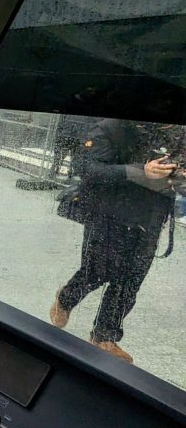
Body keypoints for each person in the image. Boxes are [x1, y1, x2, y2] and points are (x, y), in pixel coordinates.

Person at [50, 119, 184, 364]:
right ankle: (66, 298)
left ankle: (104, 337)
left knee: (130, 281)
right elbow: (86, 167)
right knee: (98, 271)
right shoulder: (115, 126)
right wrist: (138, 171)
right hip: (109, 214)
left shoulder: (179, 134)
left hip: (150, 219)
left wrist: (181, 179)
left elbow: (181, 180)